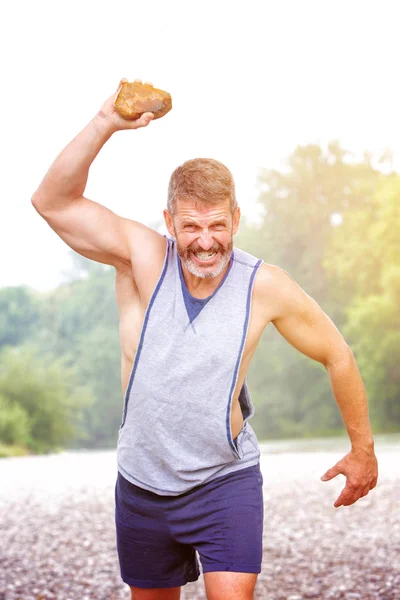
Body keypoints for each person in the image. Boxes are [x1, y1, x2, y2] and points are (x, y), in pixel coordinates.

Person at [32, 79, 378, 600]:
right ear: (169, 222)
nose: (206, 240)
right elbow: (51, 202)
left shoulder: (264, 286)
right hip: (142, 483)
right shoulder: (142, 256)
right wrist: (106, 121)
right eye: (191, 226)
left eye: (218, 224)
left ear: (235, 219)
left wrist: (363, 449)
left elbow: (336, 353)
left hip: (224, 483)